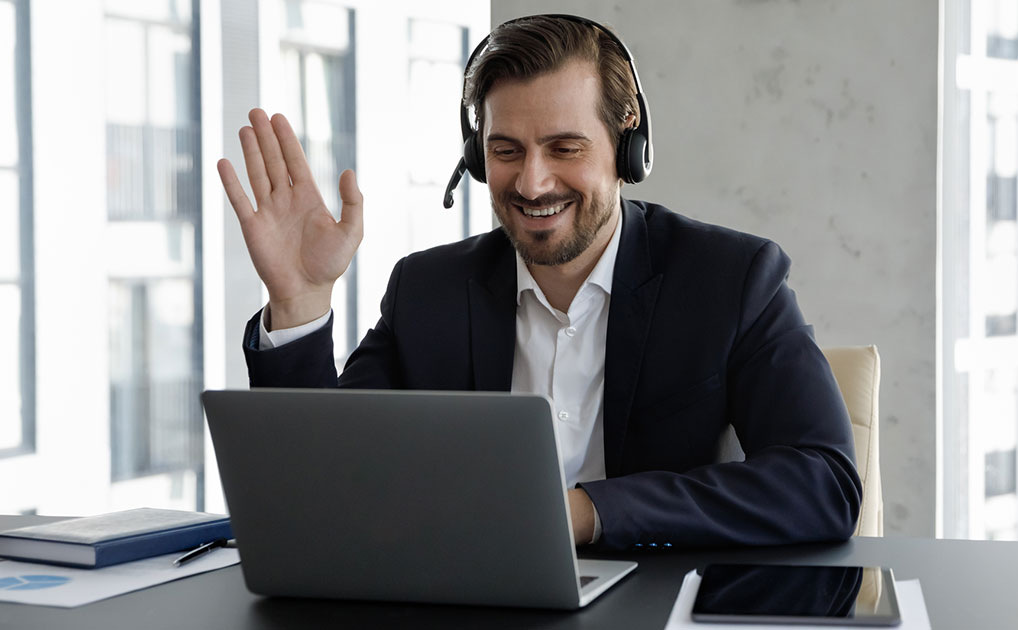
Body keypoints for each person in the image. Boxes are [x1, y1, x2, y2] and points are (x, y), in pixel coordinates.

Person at [216, 14, 861, 551]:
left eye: (565, 148)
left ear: (625, 148)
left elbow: (823, 481)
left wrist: (586, 512)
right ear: (476, 157)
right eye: (505, 151)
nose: (531, 183)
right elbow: (324, 486)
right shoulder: (428, 290)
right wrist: (300, 300)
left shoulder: (730, 279)